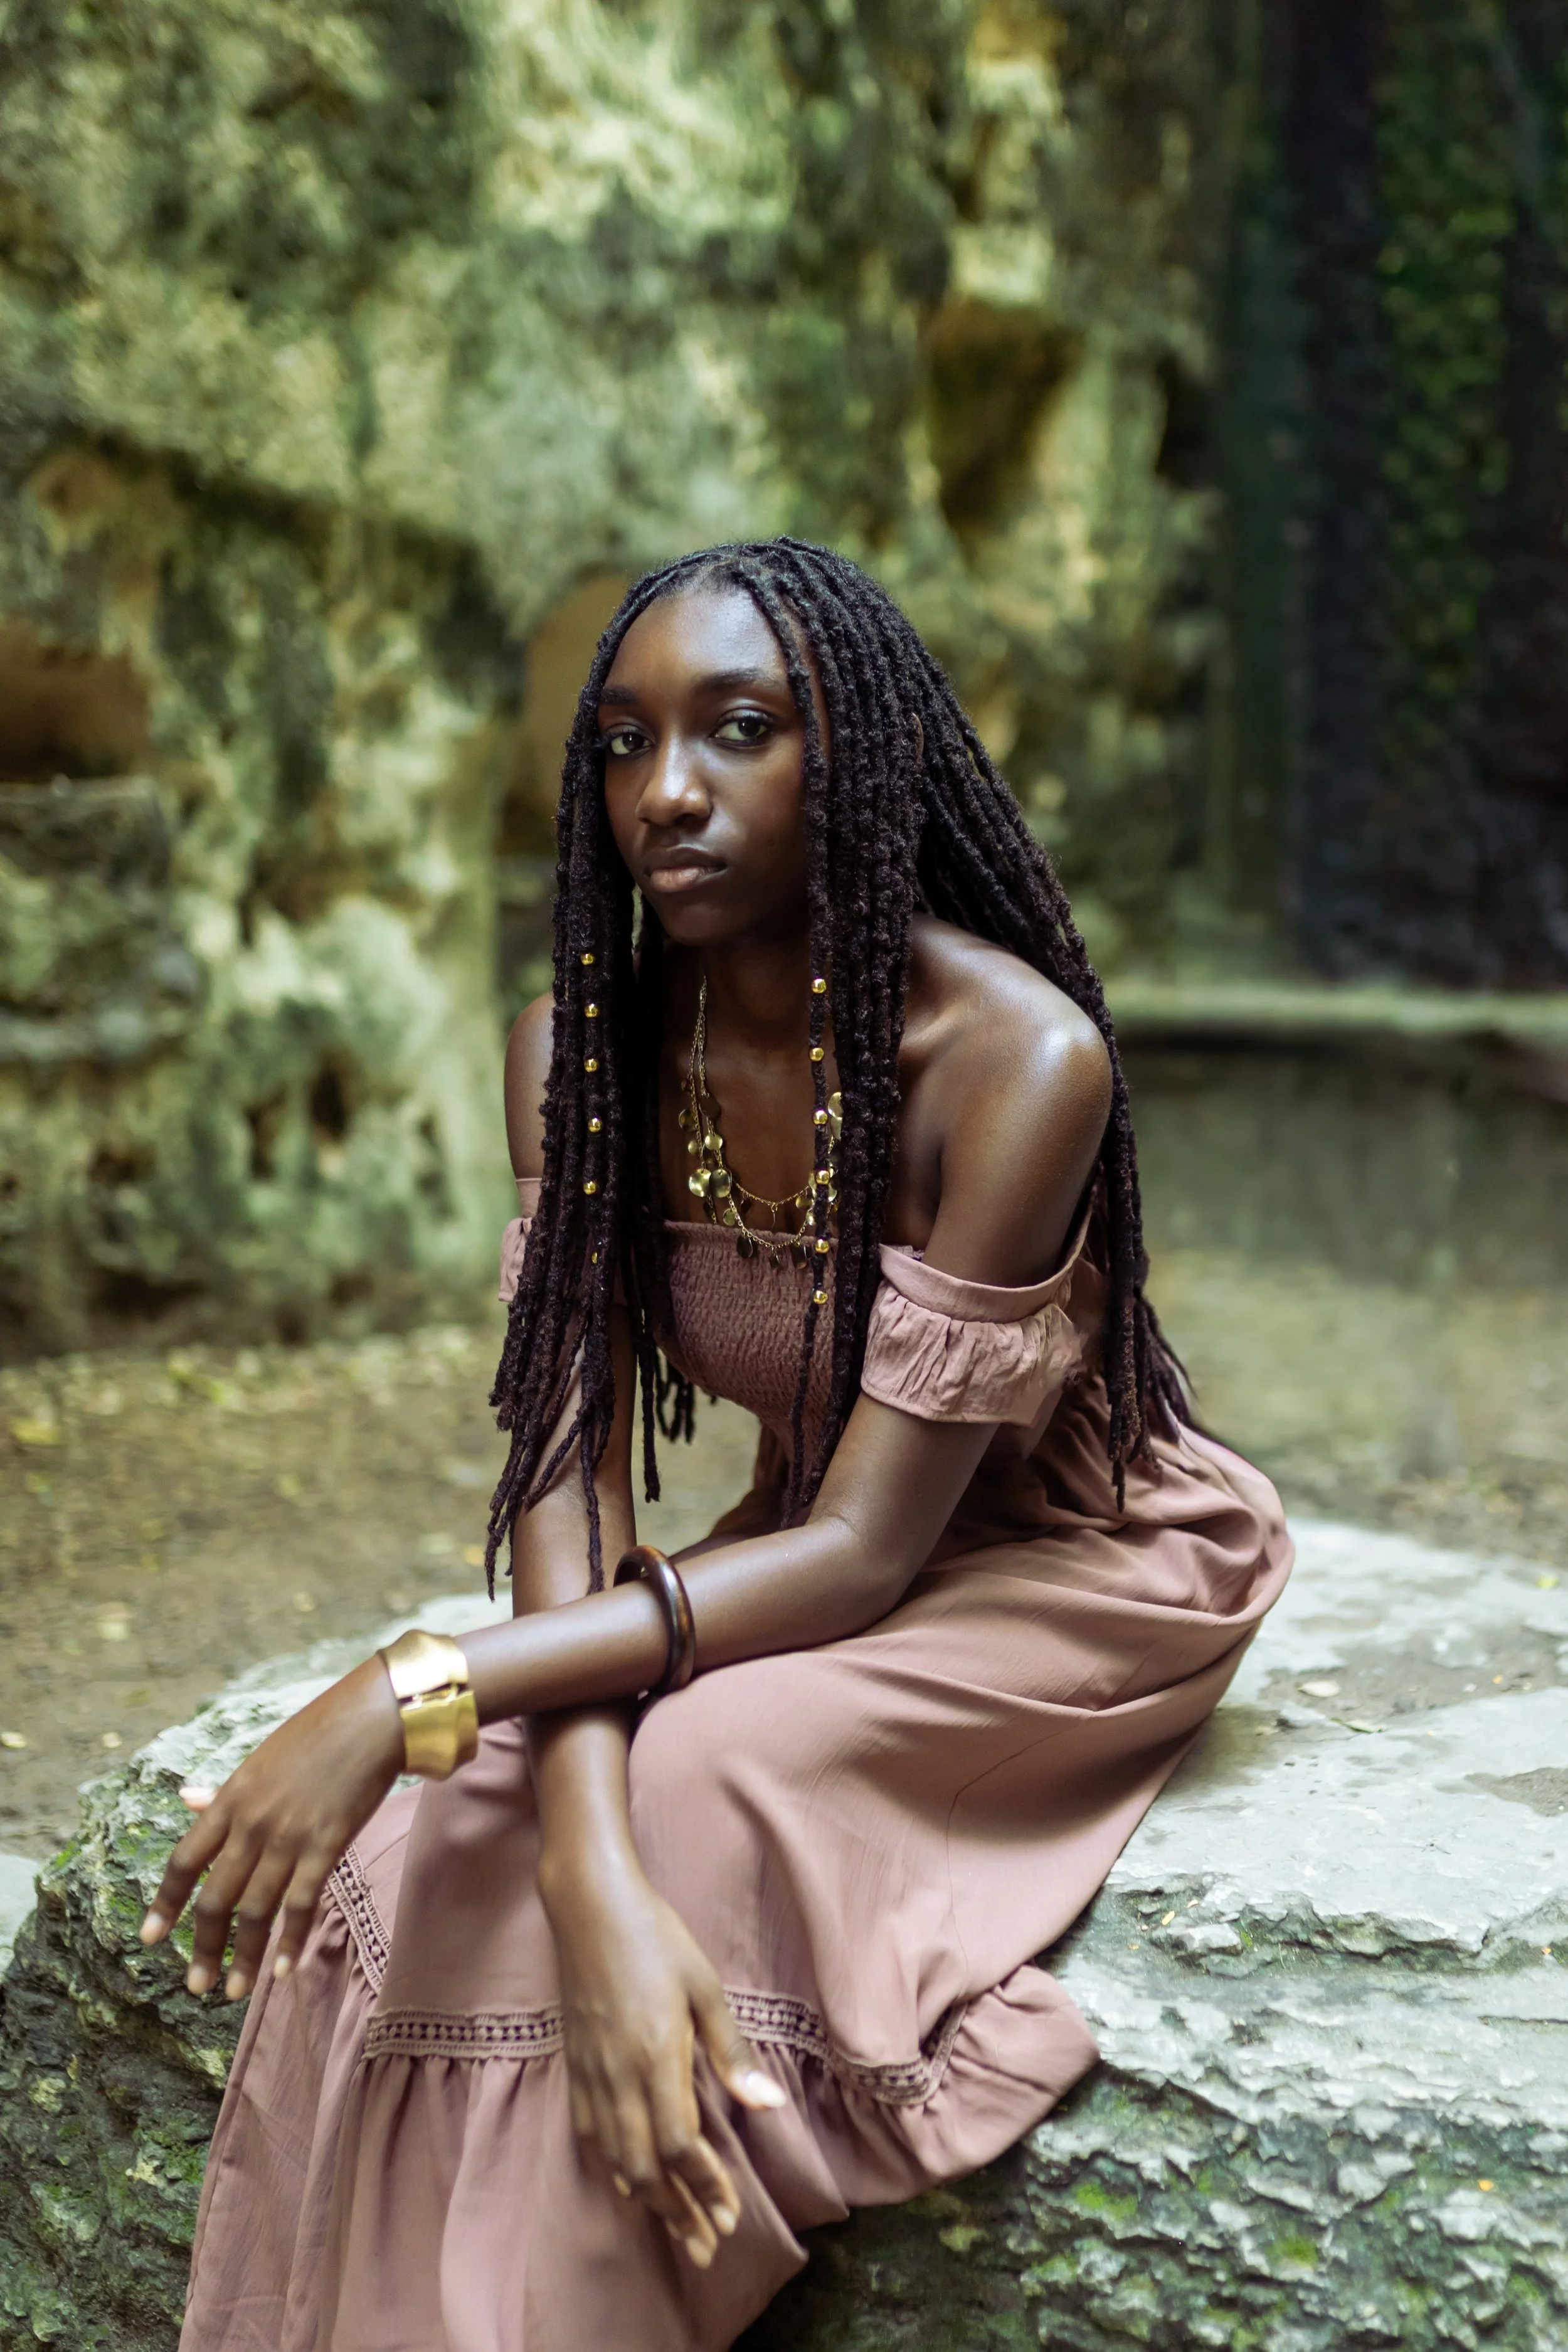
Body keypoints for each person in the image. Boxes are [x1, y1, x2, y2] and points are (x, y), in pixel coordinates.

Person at [148, 538, 1291, 2352]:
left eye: (737, 729)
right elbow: (566, 1462)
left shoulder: (1012, 1060)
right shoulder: (575, 1050)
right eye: (623, 742)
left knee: (681, 1789)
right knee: (450, 1841)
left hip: (1063, 1568)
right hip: (791, 1547)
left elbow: (868, 1557)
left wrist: (413, 1686)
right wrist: (579, 1865)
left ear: (860, 757)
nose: (663, 793)